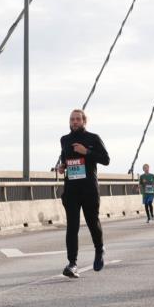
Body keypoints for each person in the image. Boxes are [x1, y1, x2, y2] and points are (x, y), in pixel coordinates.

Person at [56, 109, 110, 278]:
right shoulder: (64, 140)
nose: (74, 122)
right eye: (72, 119)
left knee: (92, 222)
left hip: (89, 189)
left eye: (78, 119)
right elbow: (64, 158)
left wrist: (86, 152)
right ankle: (72, 264)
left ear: (84, 121)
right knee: (72, 227)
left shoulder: (93, 138)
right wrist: (62, 167)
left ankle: (99, 249)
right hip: (71, 190)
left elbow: (106, 159)